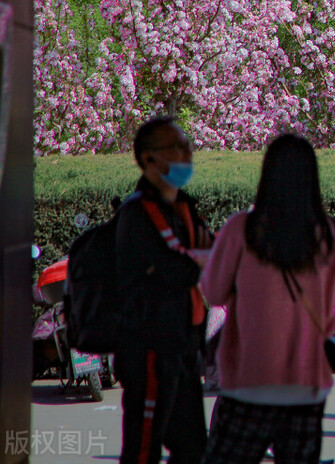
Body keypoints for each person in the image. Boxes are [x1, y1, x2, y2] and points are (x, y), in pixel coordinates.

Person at [199, 133, 335, 464]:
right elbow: (330, 318)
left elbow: (213, 292)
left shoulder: (241, 229)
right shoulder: (327, 238)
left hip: (247, 378)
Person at [114, 116, 214, 464]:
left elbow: (209, 253)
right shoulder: (138, 212)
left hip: (183, 346)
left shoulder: (184, 206)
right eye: (176, 148)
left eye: (187, 147)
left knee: (193, 449)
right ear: (148, 158)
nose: (187, 155)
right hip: (150, 347)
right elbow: (179, 269)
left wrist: (197, 257)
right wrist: (197, 258)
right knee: (144, 448)